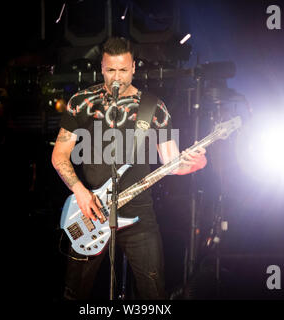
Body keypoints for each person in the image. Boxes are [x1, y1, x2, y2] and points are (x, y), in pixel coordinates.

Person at [52, 37, 207, 300]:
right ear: (101, 67)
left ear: (134, 67)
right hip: (91, 212)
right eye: (110, 69)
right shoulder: (82, 102)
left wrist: (196, 164)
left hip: (139, 215)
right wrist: (79, 190)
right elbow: (59, 156)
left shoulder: (154, 107)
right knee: (74, 293)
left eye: (123, 70)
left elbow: (171, 164)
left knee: (153, 292)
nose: (116, 77)